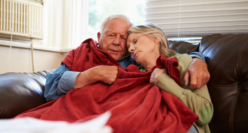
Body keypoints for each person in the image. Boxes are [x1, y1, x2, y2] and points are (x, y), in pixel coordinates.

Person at [44, 14, 210, 102]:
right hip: (75, 111)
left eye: (123, 37)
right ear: (99, 36)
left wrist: (198, 61)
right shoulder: (81, 52)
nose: (117, 42)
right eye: (111, 35)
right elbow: (50, 88)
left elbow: (169, 55)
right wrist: (90, 75)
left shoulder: (136, 58)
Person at [127, 23, 213, 133]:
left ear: (156, 38)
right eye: (128, 47)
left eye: (135, 41)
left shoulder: (183, 62)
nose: (131, 49)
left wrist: (164, 81)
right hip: (146, 125)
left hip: (184, 126)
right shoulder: (133, 73)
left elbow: (205, 115)